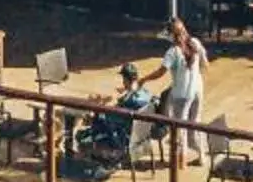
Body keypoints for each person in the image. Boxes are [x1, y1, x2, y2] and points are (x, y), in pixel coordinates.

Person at [82, 63, 157, 166]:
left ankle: (110, 150)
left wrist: (99, 107)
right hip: (142, 134)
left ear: (125, 79)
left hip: (127, 131)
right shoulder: (145, 93)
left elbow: (117, 108)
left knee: (100, 117)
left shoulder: (130, 100)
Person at [159, 19, 207, 159]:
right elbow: (205, 64)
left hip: (182, 94)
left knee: (181, 130)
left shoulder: (172, 52)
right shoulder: (195, 43)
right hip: (197, 89)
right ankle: (202, 155)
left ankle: (181, 162)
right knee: (194, 125)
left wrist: (144, 79)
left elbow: (161, 72)